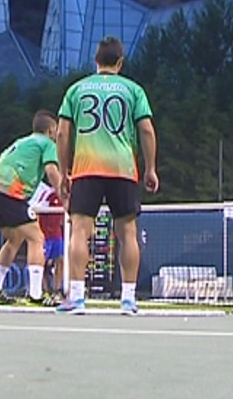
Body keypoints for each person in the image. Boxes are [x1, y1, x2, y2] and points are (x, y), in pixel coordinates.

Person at [55, 36, 159, 315]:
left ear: (95, 61)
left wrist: (65, 170)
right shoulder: (133, 90)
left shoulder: (77, 89)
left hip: (87, 167)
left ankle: (76, 297)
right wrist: (149, 168)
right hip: (123, 168)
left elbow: (63, 133)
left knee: (80, 231)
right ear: (120, 62)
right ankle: (128, 299)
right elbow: (147, 130)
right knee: (127, 233)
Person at [0, 110, 63, 306]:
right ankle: (35, 295)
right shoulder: (47, 144)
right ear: (51, 130)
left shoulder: (23, 142)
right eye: (56, 131)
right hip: (7, 192)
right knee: (36, 237)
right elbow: (51, 171)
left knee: (15, 238)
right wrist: (65, 196)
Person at [29, 182, 66, 304]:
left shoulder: (66, 196)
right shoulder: (47, 194)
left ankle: (57, 290)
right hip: (45, 235)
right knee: (42, 263)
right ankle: (44, 289)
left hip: (57, 235)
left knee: (60, 260)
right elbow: (38, 211)